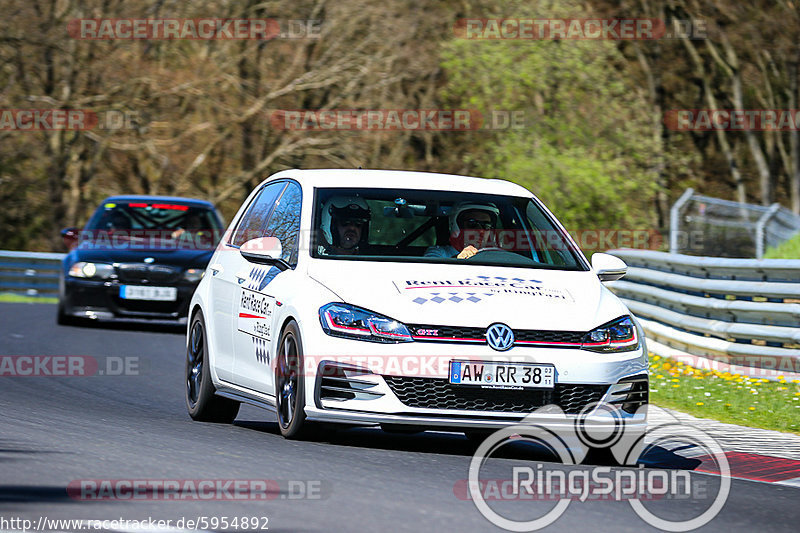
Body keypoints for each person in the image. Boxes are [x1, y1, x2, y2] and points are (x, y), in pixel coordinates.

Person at [425, 202, 500, 259]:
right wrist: (458, 259)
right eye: (472, 224)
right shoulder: (439, 253)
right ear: (455, 225)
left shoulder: (496, 256)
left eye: (486, 226)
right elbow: (429, 272)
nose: (481, 231)